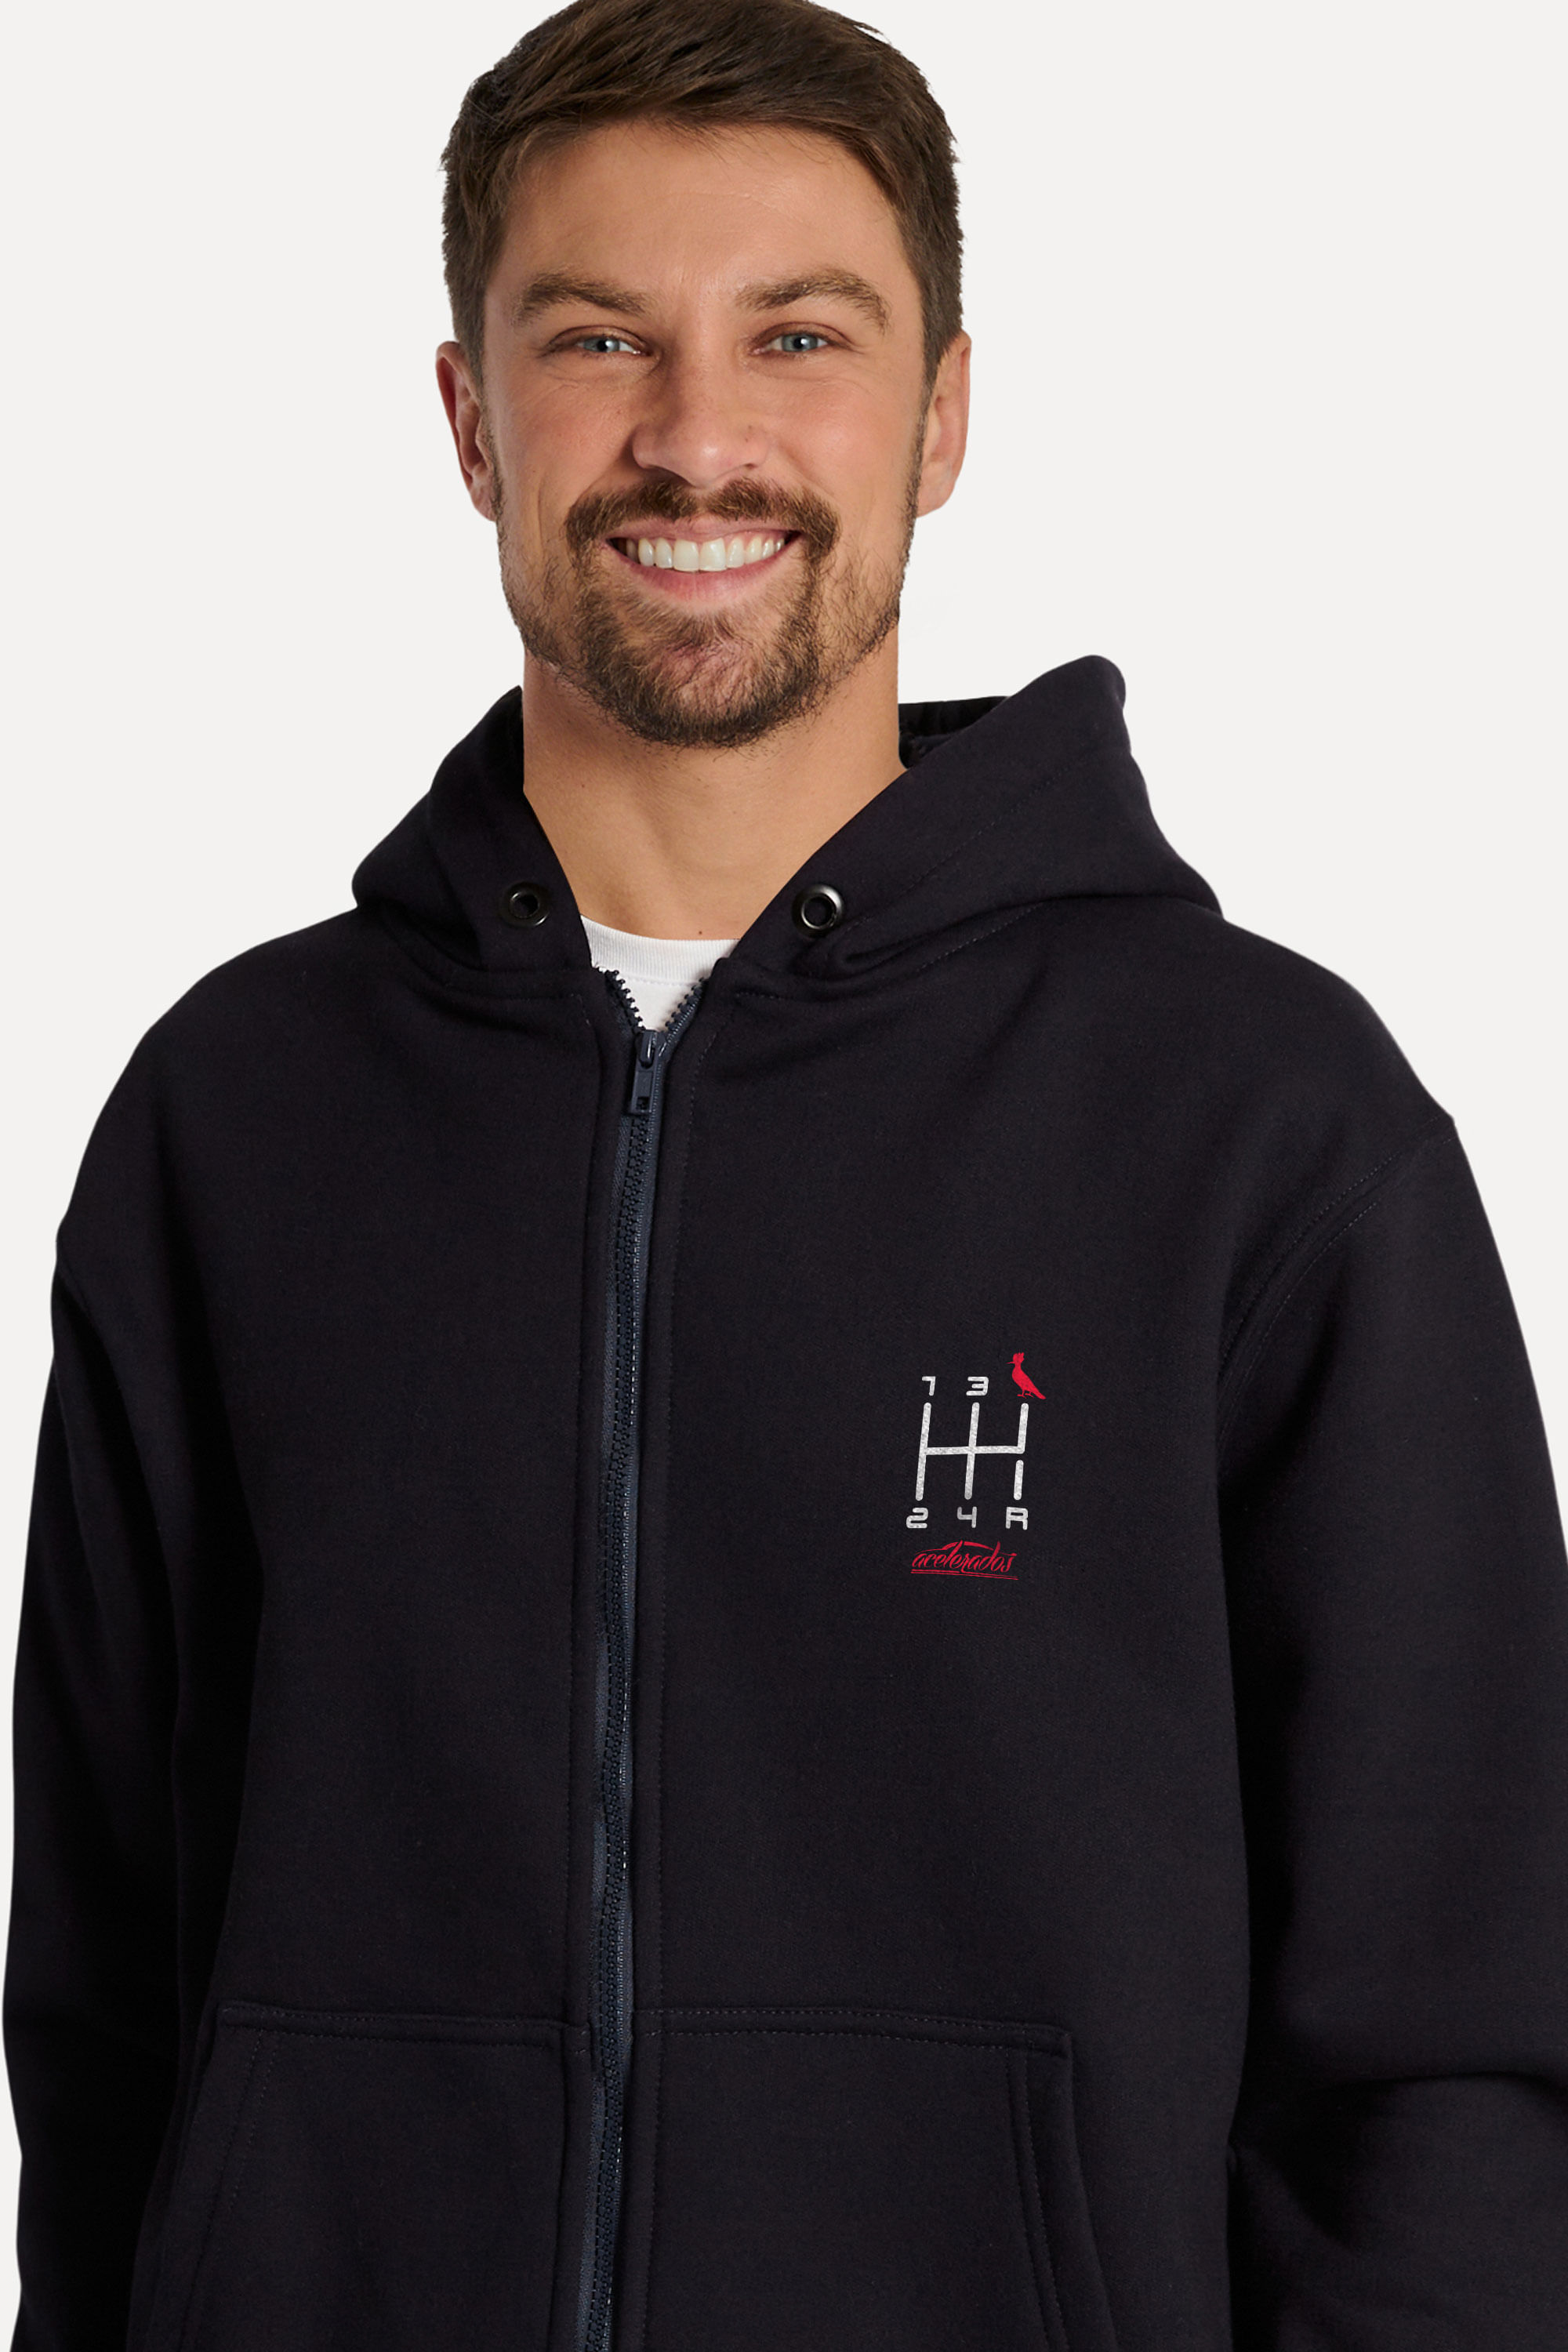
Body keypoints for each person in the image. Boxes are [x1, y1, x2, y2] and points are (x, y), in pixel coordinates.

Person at [6, 0, 1567, 2344]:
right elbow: (104, 2011)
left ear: (943, 415)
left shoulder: (1258, 1119)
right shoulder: (237, 1119)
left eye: (800, 337)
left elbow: (1454, 2046)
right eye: (597, 339)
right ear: (470, 420)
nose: (698, 435)